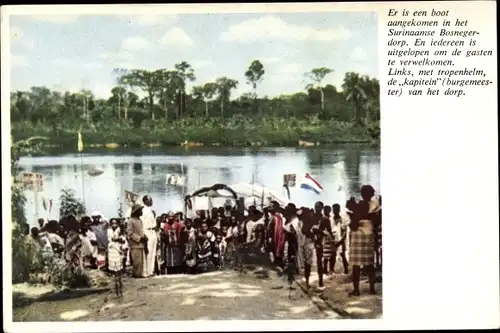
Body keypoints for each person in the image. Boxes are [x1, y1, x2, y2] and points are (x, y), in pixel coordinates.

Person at [348, 185, 379, 296]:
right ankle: (372, 288)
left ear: (362, 194)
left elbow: (354, 224)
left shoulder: (359, 205)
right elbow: (376, 221)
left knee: (356, 264)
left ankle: (356, 290)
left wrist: (352, 218)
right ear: (371, 194)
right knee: (370, 263)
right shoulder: (375, 206)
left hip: (358, 236)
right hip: (369, 234)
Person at [126, 204, 147, 278]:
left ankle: (140, 274)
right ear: (136, 211)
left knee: (141, 261)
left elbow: (141, 231)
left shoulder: (139, 220)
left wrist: (144, 237)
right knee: (136, 261)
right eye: (140, 210)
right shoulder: (131, 221)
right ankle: (136, 275)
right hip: (135, 244)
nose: (141, 212)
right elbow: (130, 233)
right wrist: (139, 238)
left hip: (141, 244)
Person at [141, 195, 158, 278]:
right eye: (150, 200)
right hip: (147, 231)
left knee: (153, 252)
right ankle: (145, 271)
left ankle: (151, 271)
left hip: (152, 231)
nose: (152, 202)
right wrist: (143, 234)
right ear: (145, 201)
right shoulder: (143, 211)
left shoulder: (150, 210)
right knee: (148, 252)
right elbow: (142, 224)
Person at [107, 218, 125, 297]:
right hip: (112, 250)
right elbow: (112, 239)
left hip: (118, 250)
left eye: (115, 223)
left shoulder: (120, 230)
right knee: (113, 270)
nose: (114, 225)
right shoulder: (109, 231)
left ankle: (120, 286)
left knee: (119, 268)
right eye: (112, 223)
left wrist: (119, 238)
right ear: (110, 224)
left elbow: (123, 240)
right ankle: (116, 287)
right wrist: (118, 238)